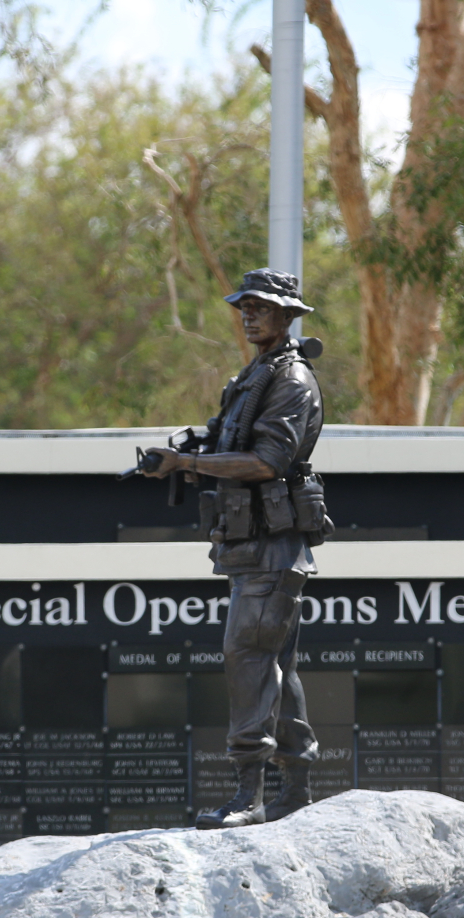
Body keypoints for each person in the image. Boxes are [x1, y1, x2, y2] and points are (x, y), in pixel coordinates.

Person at [139, 269, 329, 828]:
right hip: (251, 546)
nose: (248, 314)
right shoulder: (253, 376)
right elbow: (234, 446)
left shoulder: (291, 380)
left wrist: (189, 463)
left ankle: (249, 796)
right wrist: (190, 452)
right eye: (243, 306)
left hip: (274, 548)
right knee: (275, 666)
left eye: (261, 306)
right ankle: (296, 791)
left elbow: (267, 462)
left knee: (246, 658)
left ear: (288, 315)